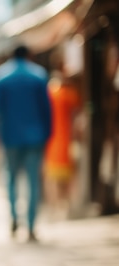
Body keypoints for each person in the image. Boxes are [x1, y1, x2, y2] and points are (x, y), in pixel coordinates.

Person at [0, 44, 52, 242]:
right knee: (33, 181)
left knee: (12, 179)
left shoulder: (0, 76)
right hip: (36, 137)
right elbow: (47, 109)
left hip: (10, 136)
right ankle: (31, 226)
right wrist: (49, 133)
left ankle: (14, 218)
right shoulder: (39, 75)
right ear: (30, 54)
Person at [43, 70, 82, 219]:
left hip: (51, 141)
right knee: (67, 177)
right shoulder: (68, 94)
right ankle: (66, 206)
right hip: (66, 141)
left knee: (52, 178)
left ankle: (54, 207)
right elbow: (77, 111)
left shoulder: (49, 95)